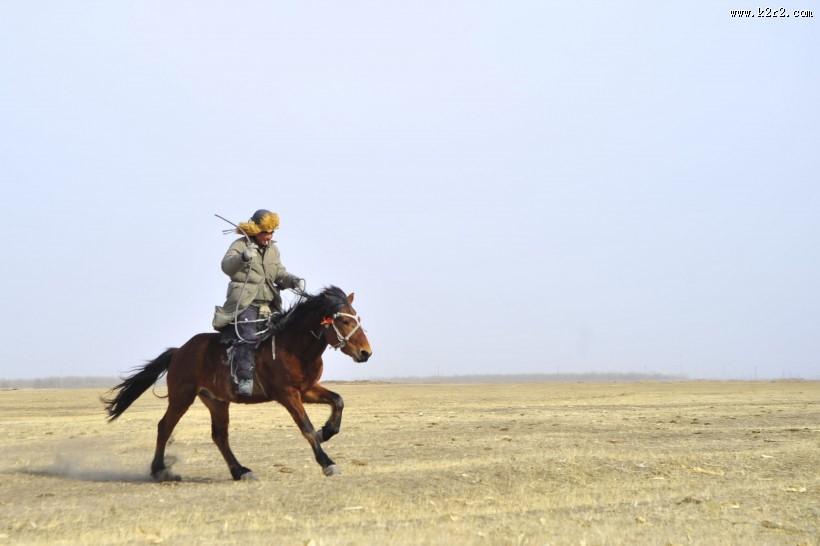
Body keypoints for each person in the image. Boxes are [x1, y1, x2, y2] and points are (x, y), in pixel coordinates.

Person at [213, 209, 305, 396]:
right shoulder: (240, 245)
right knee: (247, 336)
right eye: (265, 232)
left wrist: (293, 280)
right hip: (246, 304)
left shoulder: (273, 250)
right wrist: (243, 257)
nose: (269, 236)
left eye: (272, 232)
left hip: (270, 304)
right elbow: (226, 267)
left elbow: (279, 273)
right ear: (255, 230)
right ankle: (245, 378)